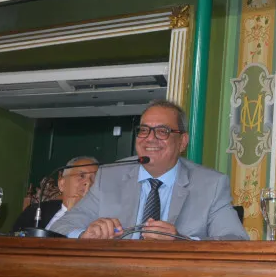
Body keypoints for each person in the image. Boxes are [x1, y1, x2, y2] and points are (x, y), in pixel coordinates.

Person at [51, 100, 248, 240]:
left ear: (183, 142)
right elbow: (60, 227)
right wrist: (85, 234)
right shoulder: (109, 177)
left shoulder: (210, 184)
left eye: (162, 131)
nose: (149, 138)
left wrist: (181, 241)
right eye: (144, 130)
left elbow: (236, 240)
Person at [12, 156, 99, 231]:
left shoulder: (100, 218)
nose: (88, 182)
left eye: (93, 179)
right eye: (81, 176)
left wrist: (74, 213)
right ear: (62, 184)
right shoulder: (37, 210)